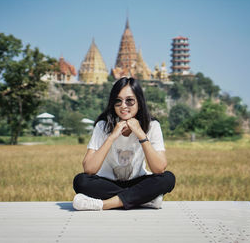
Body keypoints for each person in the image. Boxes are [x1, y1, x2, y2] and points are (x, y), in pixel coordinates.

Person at [72, 77, 175, 210]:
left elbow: (159, 168)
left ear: (139, 102)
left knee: (167, 178)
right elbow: (89, 169)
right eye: (118, 101)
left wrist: (140, 134)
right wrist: (112, 136)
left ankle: (105, 204)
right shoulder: (102, 126)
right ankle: (143, 199)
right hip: (108, 182)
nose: (123, 106)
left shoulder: (152, 126)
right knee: (81, 181)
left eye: (130, 101)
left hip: (138, 181)